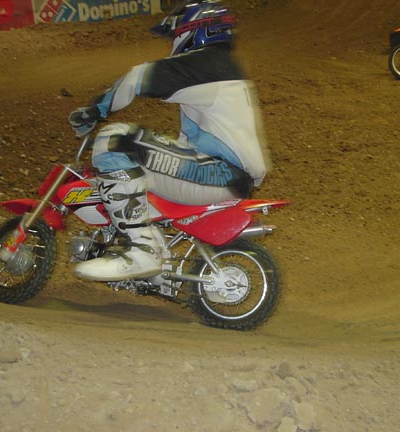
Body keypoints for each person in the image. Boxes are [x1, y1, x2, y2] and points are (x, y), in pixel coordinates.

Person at [68, 0, 269, 282]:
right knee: (140, 163)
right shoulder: (221, 69)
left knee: (115, 141)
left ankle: (142, 250)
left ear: (195, 31)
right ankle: (152, 245)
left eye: (175, 35)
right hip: (223, 173)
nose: (173, 42)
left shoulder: (206, 64)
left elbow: (138, 79)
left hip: (219, 172)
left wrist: (94, 110)